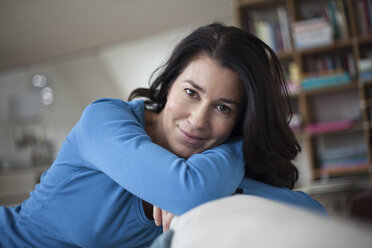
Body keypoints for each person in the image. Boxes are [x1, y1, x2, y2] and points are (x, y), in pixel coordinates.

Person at [0, 23, 323, 248]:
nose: (198, 120)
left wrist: (234, 149)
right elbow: (190, 192)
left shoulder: (212, 169)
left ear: (240, 120)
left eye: (223, 108)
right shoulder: (104, 120)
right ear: (169, 85)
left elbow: (313, 215)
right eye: (191, 92)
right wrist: (195, 185)